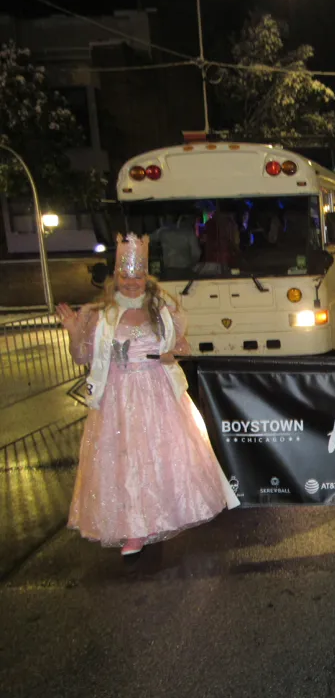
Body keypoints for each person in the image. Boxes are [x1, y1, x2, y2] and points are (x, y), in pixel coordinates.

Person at [55, 233, 240, 556]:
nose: (131, 283)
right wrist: (74, 331)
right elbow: (82, 357)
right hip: (118, 397)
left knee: (162, 457)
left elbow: (182, 346)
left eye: (137, 276)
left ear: (146, 277)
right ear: (116, 278)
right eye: (125, 277)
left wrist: (171, 354)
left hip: (159, 392)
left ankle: (158, 517)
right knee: (126, 461)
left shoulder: (162, 309)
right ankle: (134, 530)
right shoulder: (100, 314)